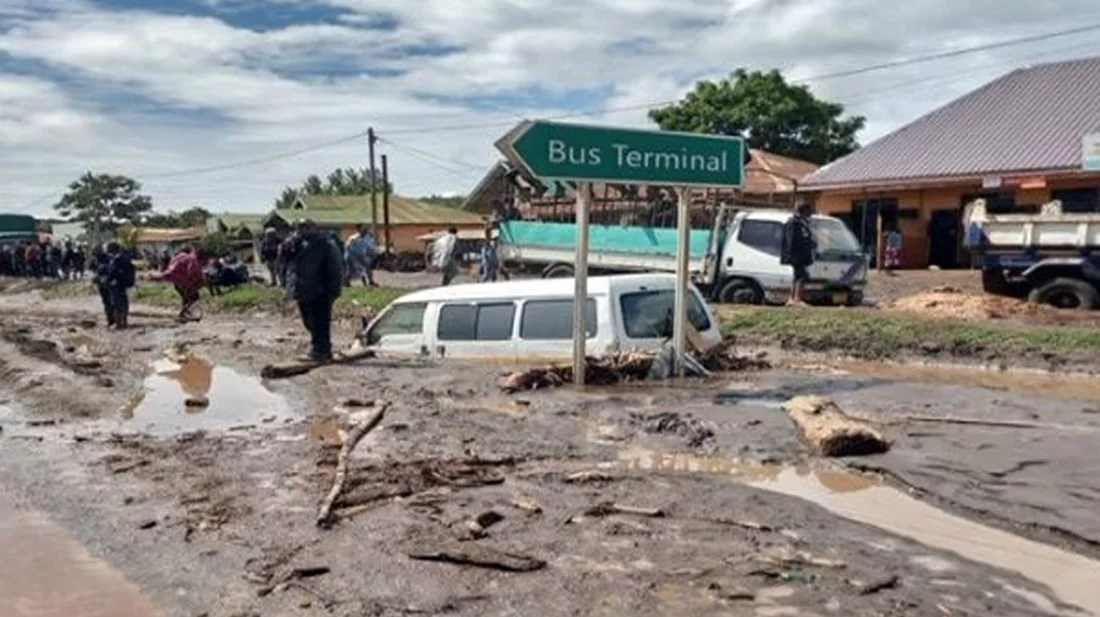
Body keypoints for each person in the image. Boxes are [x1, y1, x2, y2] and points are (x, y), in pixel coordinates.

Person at [289, 220, 344, 362]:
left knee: (320, 322)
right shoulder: (298, 246)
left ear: (314, 229)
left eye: (306, 228)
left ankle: (321, 350)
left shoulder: (326, 246)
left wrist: (333, 292)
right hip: (303, 291)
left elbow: (336, 270)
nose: (302, 231)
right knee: (309, 322)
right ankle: (321, 347)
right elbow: (285, 261)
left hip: (321, 292)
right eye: (300, 228)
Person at [781, 202, 816, 307]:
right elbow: (791, 240)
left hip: (802, 255)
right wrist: (792, 255)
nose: (810, 214)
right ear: (804, 211)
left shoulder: (802, 223)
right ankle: (797, 298)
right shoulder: (794, 223)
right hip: (796, 255)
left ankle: (791, 299)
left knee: (797, 276)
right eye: (809, 211)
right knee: (801, 276)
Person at [158, 246, 204, 322]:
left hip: (175, 280)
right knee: (194, 297)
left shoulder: (177, 257)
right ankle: (183, 313)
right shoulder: (191, 258)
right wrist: (197, 280)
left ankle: (185, 314)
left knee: (186, 297)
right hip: (183, 281)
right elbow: (191, 271)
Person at [104, 242, 136, 328]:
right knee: (124, 303)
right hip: (123, 284)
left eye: (108, 248)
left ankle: (118, 324)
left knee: (116, 304)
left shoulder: (116, 259)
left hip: (116, 284)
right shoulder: (126, 258)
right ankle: (124, 322)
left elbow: (112, 272)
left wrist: (107, 280)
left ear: (112, 249)